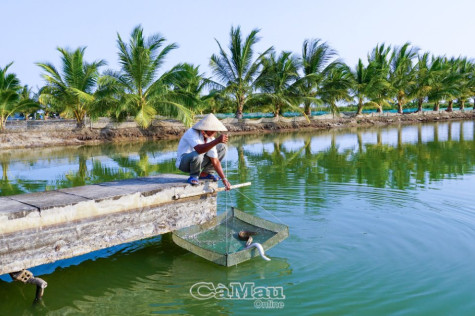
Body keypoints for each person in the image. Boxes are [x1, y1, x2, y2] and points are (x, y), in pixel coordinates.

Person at [176, 113, 231, 190]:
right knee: (197, 154)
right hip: (184, 163)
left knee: (222, 147)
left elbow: (215, 161)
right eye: (211, 131)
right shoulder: (191, 132)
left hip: (198, 161)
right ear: (203, 130)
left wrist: (224, 179)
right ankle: (194, 176)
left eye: (214, 132)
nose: (213, 134)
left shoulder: (210, 138)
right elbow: (199, 149)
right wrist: (217, 140)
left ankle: (206, 173)